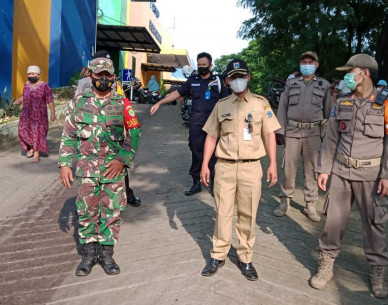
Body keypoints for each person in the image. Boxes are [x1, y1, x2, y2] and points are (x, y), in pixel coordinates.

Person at [311, 54, 388, 299]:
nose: (347, 77)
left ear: (365, 73)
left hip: (371, 175)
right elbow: (331, 138)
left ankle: (378, 271)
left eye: (350, 72)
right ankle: (326, 263)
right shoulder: (343, 101)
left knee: (374, 224)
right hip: (341, 172)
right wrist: (324, 169)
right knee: (332, 220)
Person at [200, 58, 280, 281]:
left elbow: (270, 134)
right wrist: (205, 164)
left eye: (241, 76)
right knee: (222, 213)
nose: (238, 80)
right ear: (227, 80)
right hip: (224, 167)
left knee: (248, 214)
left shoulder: (261, 104)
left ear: (248, 77)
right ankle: (218, 254)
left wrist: (273, 163)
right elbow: (211, 136)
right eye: (233, 77)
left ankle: (245, 258)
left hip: (251, 167)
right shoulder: (221, 105)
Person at [59, 57, 141, 276]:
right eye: (98, 75)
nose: (103, 79)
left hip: (113, 170)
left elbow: (134, 133)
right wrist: (64, 164)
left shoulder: (122, 103)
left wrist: (122, 159)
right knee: (86, 212)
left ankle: (106, 256)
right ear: (90, 76)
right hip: (86, 170)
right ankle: (88, 256)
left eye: (107, 75)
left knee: (111, 212)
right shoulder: (78, 103)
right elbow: (68, 135)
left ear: (113, 78)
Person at [150, 52, 229, 196]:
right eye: (199, 65)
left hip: (215, 125)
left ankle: (213, 183)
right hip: (196, 124)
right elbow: (177, 93)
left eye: (204, 65)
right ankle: (196, 183)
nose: (201, 67)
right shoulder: (193, 80)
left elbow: (227, 101)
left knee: (214, 154)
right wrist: (159, 102)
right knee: (196, 151)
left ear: (210, 65)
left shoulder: (217, 81)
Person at [74, 50, 141, 207]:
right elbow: (73, 120)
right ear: (92, 73)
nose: (103, 77)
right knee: (88, 201)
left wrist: (124, 154)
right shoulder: (83, 86)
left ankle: (126, 195)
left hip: (112, 143)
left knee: (117, 176)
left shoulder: (118, 94)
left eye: (108, 71)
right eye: (100, 70)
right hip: (89, 148)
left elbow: (132, 127)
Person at [273, 51, 332, 221]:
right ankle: (285, 200)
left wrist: (327, 136)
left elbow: (329, 112)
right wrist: (279, 131)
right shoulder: (291, 84)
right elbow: (282, 108)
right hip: (291, 131)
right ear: (300, 64)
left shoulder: (324, 85)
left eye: (310, 62)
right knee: (289, 167)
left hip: (313, 133)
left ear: (316, 64)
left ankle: (310, 204)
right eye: (304, 61)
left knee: (313, 169)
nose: (307, 64)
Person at [14, 65, 55, 163]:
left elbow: (50, 99)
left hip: (39, 115)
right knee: (23, 131)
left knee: (36, 133)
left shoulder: (44, 86)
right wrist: (19, 100)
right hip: (26, 114)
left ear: (38, 75)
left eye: (33, 73)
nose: (31, 75)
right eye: (29, 74)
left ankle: (36, 153)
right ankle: (31, 147)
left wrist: (53, 113)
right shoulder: (26, 84)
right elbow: (24, 96)